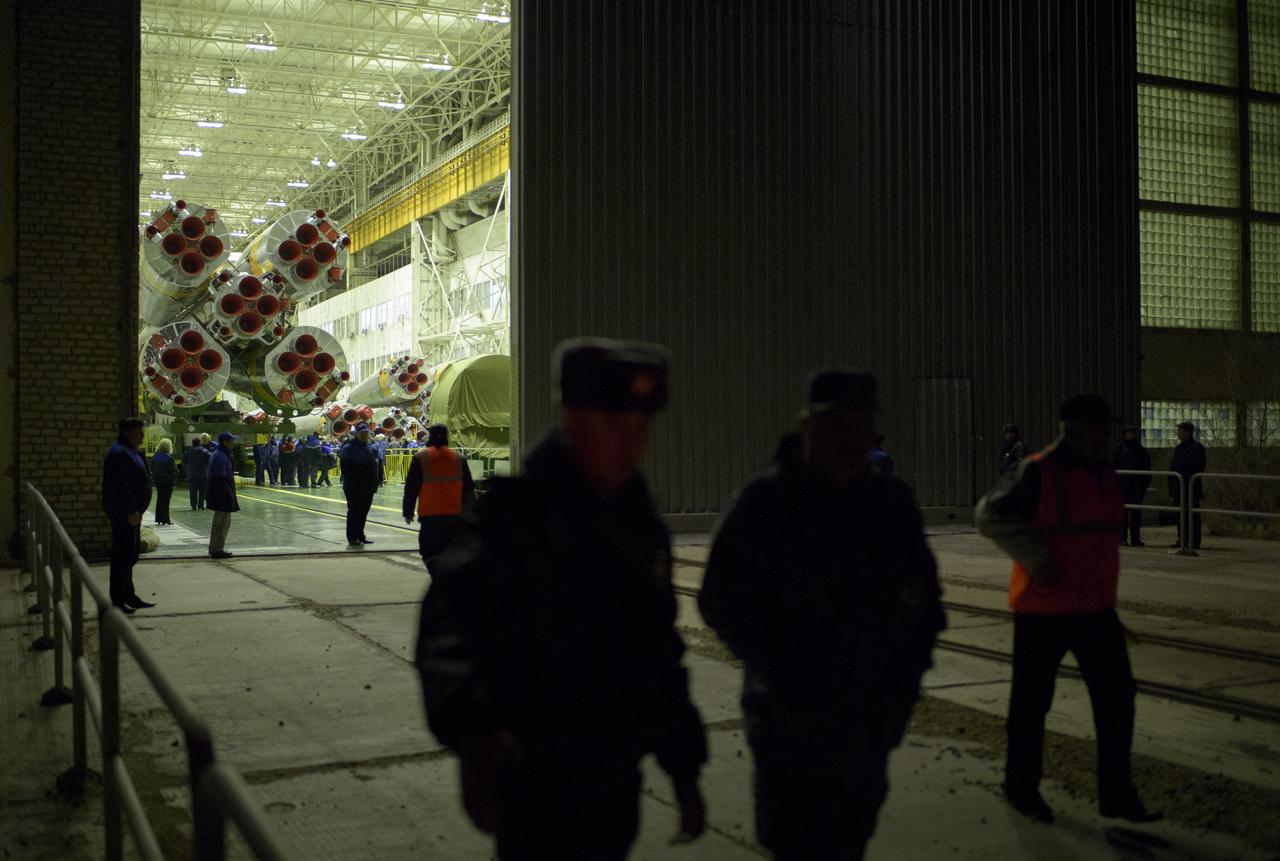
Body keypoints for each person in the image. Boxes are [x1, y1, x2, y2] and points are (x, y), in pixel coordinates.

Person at [415, 338, 708, 860]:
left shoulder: (636, 522)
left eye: (641, 425)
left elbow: (656, 650)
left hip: (614, 776)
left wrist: (683, 766)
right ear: (573, 419)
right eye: (614, 424)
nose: (631, 440)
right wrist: (478, 738)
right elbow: (447, 635)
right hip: (534, 780)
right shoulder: (514, 518)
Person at [699, 370, 944, 860]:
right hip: (790, 726)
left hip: (865, 725)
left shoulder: (889, 507)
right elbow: (719, 599)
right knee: (794, 843)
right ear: (807, 427)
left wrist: (897, 695)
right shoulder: (766, 504)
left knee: (849, 840)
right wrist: (783, 665)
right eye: (835, 424)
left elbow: (925, 610)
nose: (849, 438)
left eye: (861, 425)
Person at [975, 394, 1160, 825]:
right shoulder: (1038, 470)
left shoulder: (1103, 472)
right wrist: (1038, 561)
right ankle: (1021, 789)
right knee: (1032, 702)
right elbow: (988, 516)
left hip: (1096, 609)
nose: (1108, 435)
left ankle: (1116, 795)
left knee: (1117, 701)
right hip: (1044, 611)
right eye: (1101, 428)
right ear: (1075, 429)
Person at [101, 418, 156, 613]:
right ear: (127, 433)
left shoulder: (128, 451)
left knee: (130, 556)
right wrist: (131, 510)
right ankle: (117, 601)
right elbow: (120, 486)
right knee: (122, 558)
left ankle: (129, 596)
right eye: (139, 433)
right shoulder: (119, 454)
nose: (142, 436)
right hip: (126, 514)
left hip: (132, 514)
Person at [402, 423, 475, 569]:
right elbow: (468, 489)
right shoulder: (459, 458)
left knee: (429, 551)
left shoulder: (421, 457)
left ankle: (437, 575)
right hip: (455, 515)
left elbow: (411, 488)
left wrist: (408, 512)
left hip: (430, 515)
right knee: (451, 550)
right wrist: (470, 513)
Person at [339, 424, 380, 547]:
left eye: (366, 432)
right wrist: (356, 481)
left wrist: (377, 481)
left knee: (363, 512)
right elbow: (346, 469)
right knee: (354, 511)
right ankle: (352, 537)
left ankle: (360, 535)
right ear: (356, 433)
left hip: (368, 486)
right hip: (354, 486)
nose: (365, 434)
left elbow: (376, 465)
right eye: (362, 432)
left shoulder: (370, 447)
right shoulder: (348, 448)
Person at [1111, 425, 1152, 547]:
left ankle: (1135, 539)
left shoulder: (1140, 450)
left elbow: (1146, 468)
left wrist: (1143, 484)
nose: (1132, 435)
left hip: (1136, 486)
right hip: (1122, 486)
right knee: (1122, 514)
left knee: (1135, 514)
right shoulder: (1117, 449)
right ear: (1125, 434)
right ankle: (1122, 538)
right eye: (1130, 433)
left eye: (1134, 433)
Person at [1169, 421, 1207, 550]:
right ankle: (1182, 539)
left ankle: (1194, 541)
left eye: (1180, 431)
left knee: (1192, 514)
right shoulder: (1179, 448)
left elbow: (1199, 467)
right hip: (1178, 487)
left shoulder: (1197, 447)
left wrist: (1186, 477)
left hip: (1190, 487)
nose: (1178, 433)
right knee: (1180, 514)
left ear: (1187, 432)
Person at [207, 431, 240, 559]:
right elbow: (219, 477)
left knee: (219, 522)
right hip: (221, 494)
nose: (233, 443)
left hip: (219, 493)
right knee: (221, 523)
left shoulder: (219, 454)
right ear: (225, 442)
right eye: (231, 440)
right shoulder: (221, 456)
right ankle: (217, 549)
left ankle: (215, 547)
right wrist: (228, 495)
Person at [150, 438, 176, 525]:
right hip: (167, 482)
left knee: (160, 499)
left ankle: (158, 519)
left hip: (158, 481)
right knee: (166, 500)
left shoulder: (154, 457)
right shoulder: (169, 458)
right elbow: (173, 471)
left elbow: (152, 468)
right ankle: (166, 519)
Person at [183, 434, 212, 511]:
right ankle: (201, 505)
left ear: (192, 443)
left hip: (191, 475)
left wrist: (187, 469)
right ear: (199, 443)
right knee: (202, 491)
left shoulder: (188, 452)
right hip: (203, 475)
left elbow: (184, 461)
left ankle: (193, 506)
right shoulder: (204, 451)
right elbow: (210, 460)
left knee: (193, 491)